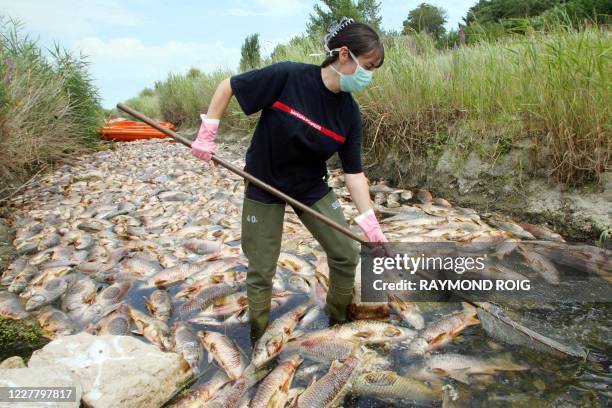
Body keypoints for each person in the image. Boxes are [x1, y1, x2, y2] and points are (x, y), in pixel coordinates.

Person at [191, 17, 389, 342]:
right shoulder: (288, 76)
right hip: (264, 181)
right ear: (343, 54)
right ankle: (258, 336)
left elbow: (354, 172)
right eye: (366, 65)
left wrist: (371, 225)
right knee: (262, 268)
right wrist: (207, 132)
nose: (368, 76)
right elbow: (228, 85)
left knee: (346, 254)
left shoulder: (350, 114)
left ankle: (336, 324)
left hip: (309, 185)